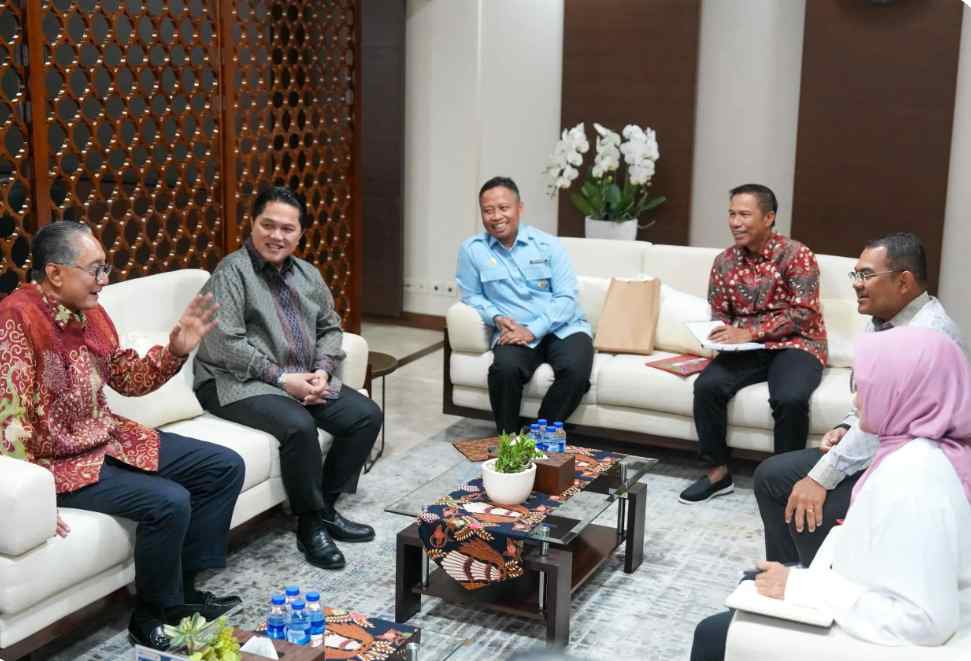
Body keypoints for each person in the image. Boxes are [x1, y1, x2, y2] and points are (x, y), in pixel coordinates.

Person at [0, 221, 245, 651]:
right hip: (59, 463)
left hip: (110, 438)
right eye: (95, 269)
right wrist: (33, 497)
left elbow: (128, 378)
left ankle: (182, 595)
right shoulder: (16, 319)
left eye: (105, 268)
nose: (104, 280)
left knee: (223, 466)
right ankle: (150, 615)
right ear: (55, 273)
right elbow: (9, 421)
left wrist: (175, 350)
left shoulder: (93, 312)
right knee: (169, 501)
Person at [691, 327, 971, 659]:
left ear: (902, 394)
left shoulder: (914, 477)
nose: (855, 400)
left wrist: (800, 587)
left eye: (865, 387)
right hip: (856, 600)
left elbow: (923, 622)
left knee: (712, 636)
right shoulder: (915, 452)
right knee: (743, 599)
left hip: (882, 640)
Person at [194, 186, 381, 572]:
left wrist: (322, 371)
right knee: (298, 426)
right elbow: (227, 344)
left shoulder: (308, 274)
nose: (276, 236)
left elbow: (330, 327)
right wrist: (283, 380)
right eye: (268, 225)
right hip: (233, 382)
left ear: (300, 234)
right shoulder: (231, 273)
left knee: (365, 415)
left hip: (297, 377)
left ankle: (325, 509)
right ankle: (309, 526)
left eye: (287, 229)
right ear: (252, 224)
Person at [754, 232, 968, 567]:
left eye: (866, 275)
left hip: (915, 466)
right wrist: (845, 425)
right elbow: (870, 404)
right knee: (771, 476)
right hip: (881, 448)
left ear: (904, 281)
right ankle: (786, 575)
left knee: (814, 511)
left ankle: (815, 590)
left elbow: (885, 429)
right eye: (855, 274)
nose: (856, 284)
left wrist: (820, 478)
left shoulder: (925, 336)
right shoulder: (883, 321)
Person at [680, 184, 827, 504]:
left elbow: (804, 312)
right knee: (707, 387)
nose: (735, 222)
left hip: (796, 343)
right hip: (746, 348)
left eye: (744, 214)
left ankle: (785, 481)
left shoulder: (797, 255)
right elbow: (720, 312)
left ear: (769, 218)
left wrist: (751, 332)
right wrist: (717, 334)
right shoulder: (724, 261)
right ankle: (717, 473)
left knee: (789, 398)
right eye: (732, 214)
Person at [456, 176, 593, 435]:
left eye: (503, 208)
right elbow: (472, 296)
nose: (496, 216)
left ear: (520, 208)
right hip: (513, 330)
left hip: (563, 327)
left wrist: (532, 331)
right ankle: (508, 439)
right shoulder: (473, 250)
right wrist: (496, 317)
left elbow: (566, 298)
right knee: (504, 369)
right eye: (488, 210)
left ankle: (537, 434)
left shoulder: (548, 245)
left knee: (576, 371)